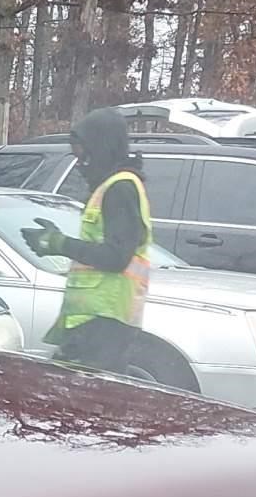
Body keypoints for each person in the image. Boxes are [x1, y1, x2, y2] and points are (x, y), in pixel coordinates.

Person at [22, 109, 197, 391]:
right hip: (95, 318)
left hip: (106, 320)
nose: (80, 164)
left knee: (83, 397)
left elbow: (117, 257)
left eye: (83, 155)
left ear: (100, 147)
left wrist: (58, 244)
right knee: (80, 395)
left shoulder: (120, 189)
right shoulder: (113, 186)